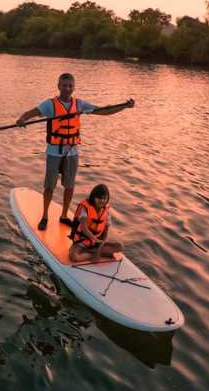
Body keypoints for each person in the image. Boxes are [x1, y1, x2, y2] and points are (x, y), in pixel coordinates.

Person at [15, 73, 133, 230]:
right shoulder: (50, 104)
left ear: (74, 87)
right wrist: (22, 119)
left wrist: (124, 106)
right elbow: (30, 113)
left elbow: (103, 111)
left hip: (72, 152)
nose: (67, 88)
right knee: (50, 186)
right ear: (58, 86)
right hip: (54, 151)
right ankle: (45, 216)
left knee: (69, 186)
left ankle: (64, 216)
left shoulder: (80, 104)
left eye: (70, 85)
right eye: (64, 85)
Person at [69, 184, 122, 264]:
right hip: (83, 241)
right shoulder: (85, 208)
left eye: (104, 198)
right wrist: (92, 238)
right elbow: (83, 227)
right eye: (99, 198)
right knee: (73, 256)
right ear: (93, 197)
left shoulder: (106, 211)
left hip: (97, 242)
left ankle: (91, 252)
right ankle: (96, 254)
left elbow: (104, 236)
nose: (102, 201)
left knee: (119, 246)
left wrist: (98, 251)